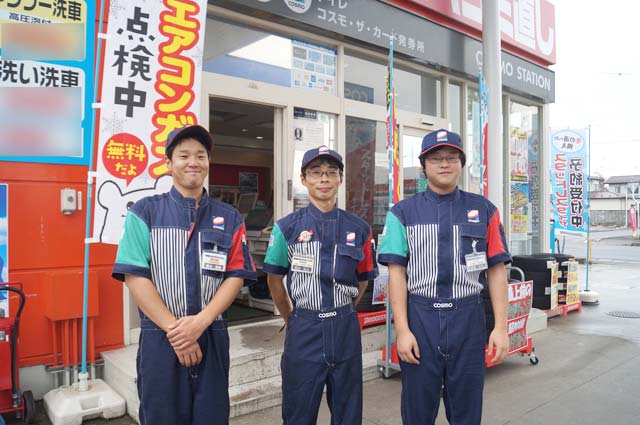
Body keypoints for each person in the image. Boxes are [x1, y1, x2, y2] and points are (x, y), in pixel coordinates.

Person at [112, 125, 256, 425]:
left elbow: (236, 275)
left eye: (201, 155)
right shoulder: (145, 212)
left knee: (212, 417)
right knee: (162, 416)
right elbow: (135, 276)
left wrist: (200, 324)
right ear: (169, 164)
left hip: (212, 334)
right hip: (161, 336)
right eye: (184, 155)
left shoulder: (229, 217)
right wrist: (178, 333)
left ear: (208, 162)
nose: (193, 161)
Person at [378, 129, 511, 425]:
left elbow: (497, 270)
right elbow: (396, 274)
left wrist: (500, 328)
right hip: (420, 318)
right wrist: (402, 331)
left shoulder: (485, 210)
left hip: (468, 319)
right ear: (423, 166)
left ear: (462, 163)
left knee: (467, 410)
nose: (444, 164)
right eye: (436, 158)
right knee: (417, 411)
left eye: (452, 157)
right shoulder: (402, 214)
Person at [263, 146, 378, 425]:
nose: (324, 179)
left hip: (344, 327)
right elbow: (274, 279)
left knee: (348, 410)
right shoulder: (287, 228)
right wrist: (292, 317)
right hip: (304, 327)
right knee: (299, 409)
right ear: (304, 179)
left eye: (331, 173)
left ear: (339, 179)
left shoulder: (359, 229)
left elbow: (363, 279)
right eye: (316, 173)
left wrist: (345, 309)